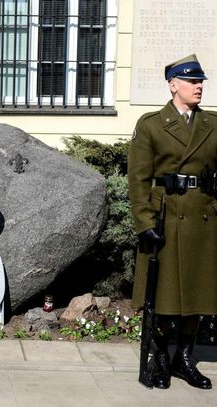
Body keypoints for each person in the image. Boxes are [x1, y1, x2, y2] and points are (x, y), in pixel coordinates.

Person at [128, 54, 216, 390]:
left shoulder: (213, 124)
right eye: (192, 81)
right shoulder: (151, 124)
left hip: (203, 219)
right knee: (164, 297)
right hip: (166, 217)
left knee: (197, 294)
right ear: (173, 84)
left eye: (201, 82)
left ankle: (184, 359)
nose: (199, 87)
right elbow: (138, 179)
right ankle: (161, 358)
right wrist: (144, 221)